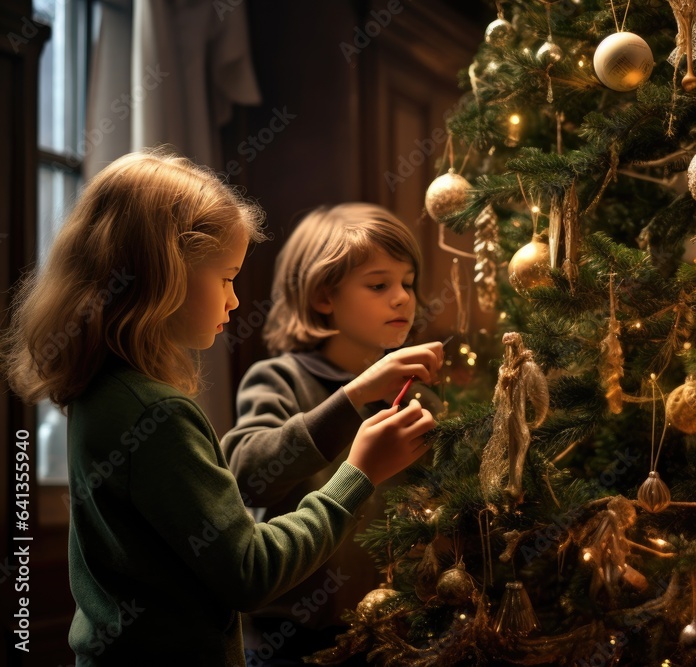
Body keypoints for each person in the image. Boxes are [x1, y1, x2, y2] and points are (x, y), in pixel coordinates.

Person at [1, 151, 436, 665]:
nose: (234, 300)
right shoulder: (153, 412)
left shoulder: (107, 393)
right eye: (226, 277)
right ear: (163, 274)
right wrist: (358, 472)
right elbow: (249, 571)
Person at [220, 203, 445, 664]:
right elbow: (247, 474)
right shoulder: (279, 378)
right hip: (295, 637)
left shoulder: (419, 397)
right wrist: (353, 397)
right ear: (324, 297)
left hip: (398, 632)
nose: (402, 297)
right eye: (379, 285)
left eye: (407, 282)